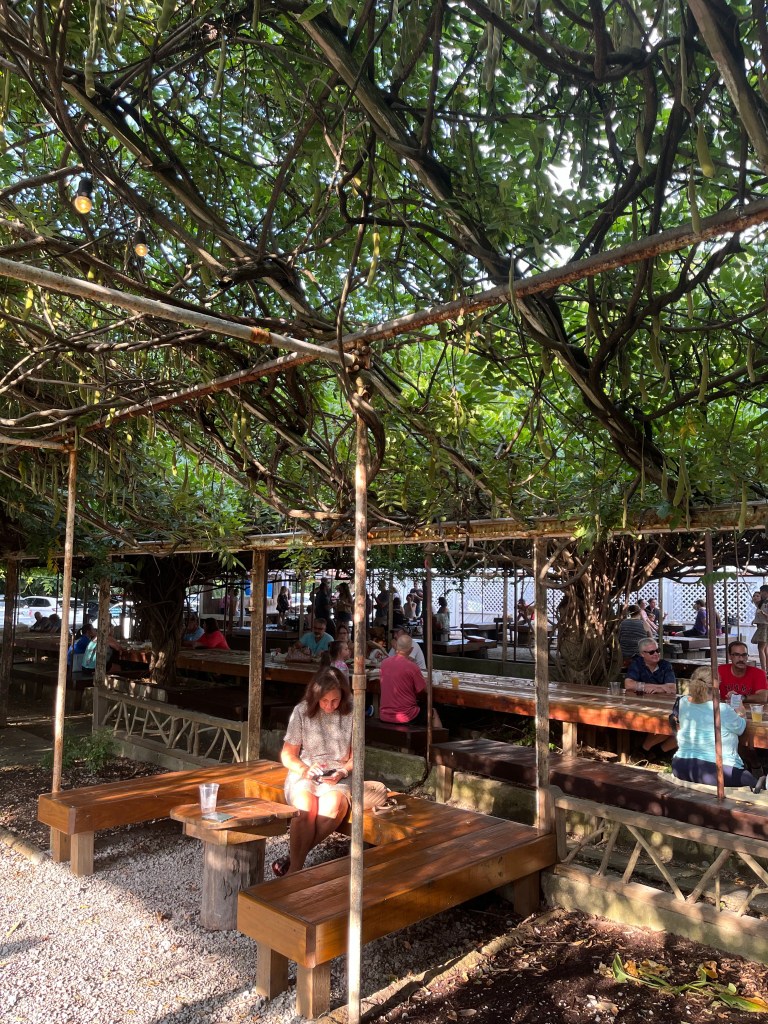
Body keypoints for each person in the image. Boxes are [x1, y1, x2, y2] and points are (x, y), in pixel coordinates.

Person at [274, 666, 353, 876]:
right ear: (315, 696)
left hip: (338, 773)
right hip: (306, 770)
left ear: (343, 696)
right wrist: (304, 769)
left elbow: (357, 758)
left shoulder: (352, 711)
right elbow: (288, 755)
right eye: (324, 700)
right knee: (304, 809)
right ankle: (295, 871)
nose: (329, 706)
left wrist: (343, 771)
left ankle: (292, 863)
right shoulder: (302, 711)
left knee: (332, 809)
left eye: (335, 701)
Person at [672, 668, 764, 791]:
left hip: (681, 765)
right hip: (719, 770)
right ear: (716, 687)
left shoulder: (682, 701)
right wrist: (741, 712)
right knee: (756, 786)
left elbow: (678, 716)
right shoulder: (722, 709)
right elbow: (741, 728)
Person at [625, 637, 677, 751]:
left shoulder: (665, 665)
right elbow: (628, 684)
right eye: (651, 652)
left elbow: (672, 689)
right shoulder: (637, 664)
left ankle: (651, 750)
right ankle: (649, 750)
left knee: (675, 723)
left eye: (657, 650)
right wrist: (661, 687)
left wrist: (651, 687)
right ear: (642, 654)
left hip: (663, 706)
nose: (656, 654)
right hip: (640, 706)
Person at [379, 633, 442, 727]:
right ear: (411, 649)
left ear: (396, 646)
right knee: (433, 712)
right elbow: (426, 690)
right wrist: (427, 681)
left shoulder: (384, 664)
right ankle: (439, 736)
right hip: (406, 716)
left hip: (384, 714)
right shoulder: (412, 667)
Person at [751, 588, 768, 675]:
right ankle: (765, 668)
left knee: (761, 648)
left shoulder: (764, 605)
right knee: (764, 649)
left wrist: (763, 613)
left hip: (764, 627)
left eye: (757, 596)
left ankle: (763, 669)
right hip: (762, 626)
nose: (755, 597)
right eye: (754, 596)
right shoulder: (759, 606)